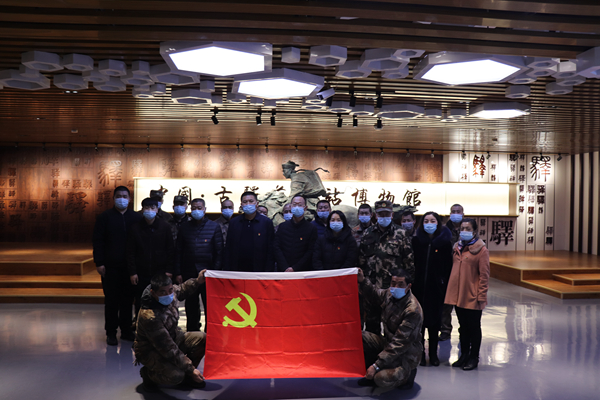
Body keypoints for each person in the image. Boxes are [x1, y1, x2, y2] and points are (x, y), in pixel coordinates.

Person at [134, 272, 207, 392]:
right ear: (153, 293)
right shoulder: (150, 317)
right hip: (151, 350)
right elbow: (168, 348)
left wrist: (198, 281)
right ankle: (148, 374)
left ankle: (188, 377)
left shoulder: (171, 293)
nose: (168, 294)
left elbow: (182, 289)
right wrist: (190, 369)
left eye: (170, 290)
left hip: (173, 337)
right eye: (163, 292)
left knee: (202, 338)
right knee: (176, 376)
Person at [357, 267, 423, 389]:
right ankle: (371, 371)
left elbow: (399, 343)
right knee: (360, 337)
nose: (395, 287)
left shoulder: (412, 310)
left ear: (408, 286)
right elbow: (374, 294)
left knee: (380, 379)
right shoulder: (389, 294)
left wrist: (376, 366)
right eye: (393, 283)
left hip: (406, 354)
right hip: (388, 343)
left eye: (400, 284)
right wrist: (362, 280)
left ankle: (408, 374)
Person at [93, 186, 142, 346]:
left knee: (128, 301)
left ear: (129, 199)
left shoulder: (136, 218)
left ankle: (126, 330)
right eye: (119, 196)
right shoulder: (105, 217)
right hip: (110, 267)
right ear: (114, 198)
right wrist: (99, 262)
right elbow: (98, 241)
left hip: (130, 268)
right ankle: (111, 332)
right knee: (112, 300)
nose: (122, 199)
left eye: (125, 196)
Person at [359, 200, 414, 334]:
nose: (384, 217)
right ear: (375, 215)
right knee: (372, 329)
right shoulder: (367, 234)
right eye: (381, 214)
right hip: (372, 289)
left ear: (392, 215)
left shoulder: (401, 234)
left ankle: (391, 349)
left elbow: (409, 263)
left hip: (393, 290)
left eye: (386, 214)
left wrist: (405, 288)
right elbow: (361, 261)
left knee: (394, 328)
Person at [444, 218, 489, 371]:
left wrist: (481, 295)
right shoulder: (457, 247)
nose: (464, 231)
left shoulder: (481, 250)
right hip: (459, 296)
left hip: (473, 296)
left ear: (475, 231)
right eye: (462, 228)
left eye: (468, 229)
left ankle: (474, 357)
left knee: (474, 328)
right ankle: (464, 355)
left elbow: (484, 275)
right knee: (463, 327)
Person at [411, 212, 453, 367]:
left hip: (436, 289)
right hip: (418, 288)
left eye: (432, 221)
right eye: (426, 221)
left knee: (435, 323)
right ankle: (421, 354)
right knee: (419, 324)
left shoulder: (445, 243)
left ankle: (434, 354)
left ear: (438, 223)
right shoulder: (416, 241)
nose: (429, 223)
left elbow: (448, 267)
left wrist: (444, 284)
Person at [175, 198, 223, 332]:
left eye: (199, 208)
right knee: (191, 304)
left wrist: (215, 272)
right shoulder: (184, 227)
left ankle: (210, 333)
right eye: (194, 208)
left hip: (208, 273)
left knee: (209, 305)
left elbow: (219, 252)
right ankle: (192, 331)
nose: (197, 210)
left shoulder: (214, 226)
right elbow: (178, 251)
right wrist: (178, 272)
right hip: (189, 272)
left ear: (205, 209)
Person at [127, 197, 175, 322]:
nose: (149, 210)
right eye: (146, 208)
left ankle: (162, 325)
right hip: (140, 272)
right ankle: (140, 325)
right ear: (142, 210)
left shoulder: (165, 227)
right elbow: (130, 251)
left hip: (160, 272)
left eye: (152, 208)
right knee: (140, 300)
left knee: (160, 300)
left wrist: (169, 270)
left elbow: (170, 250)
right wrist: (132, 272)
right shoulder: (135, 228)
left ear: (157, 209)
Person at [223, 191, 275, 272]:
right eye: (245, 202)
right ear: (241, 205)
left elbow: (271, 248)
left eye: (251, 201)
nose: (248, 204)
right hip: (237, 268)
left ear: (257, 204)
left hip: (260, 268)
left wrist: (269, 270)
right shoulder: (234, 222)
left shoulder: (266, 222)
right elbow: (229, 247)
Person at [274, 194, 318, 272]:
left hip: (302, 271)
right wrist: (284, 267)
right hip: (283, 270)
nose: (297, 207)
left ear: (305, 208)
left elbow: (310, 251)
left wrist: (295, 268)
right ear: (291, 207)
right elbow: (277, 247)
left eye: (300, 205)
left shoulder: (311, 228)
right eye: (294, 205)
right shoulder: (282, 226)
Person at [440, 203, 464, 341]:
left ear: (463, 214)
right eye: (453, 211)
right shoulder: (444, 229)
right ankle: (445, 330)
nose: (455, 214)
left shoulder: (467, 228)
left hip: (463, 271)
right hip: (447, 271)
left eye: (458, 211)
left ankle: (464, 329)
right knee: (446, 303)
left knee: (462, 303)